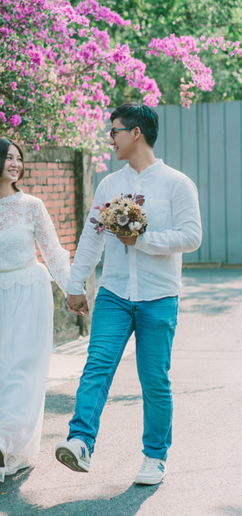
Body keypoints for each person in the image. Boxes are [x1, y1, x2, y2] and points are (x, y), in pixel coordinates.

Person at [55, 102, 202, 485]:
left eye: (115, 131)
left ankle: (155, 457)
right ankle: (81, 441)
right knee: (97, 366)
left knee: (154, 379)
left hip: (159, 296)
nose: (111, 138)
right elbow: (92, 236)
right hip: (114, 294)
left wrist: (142, 239)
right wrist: (75, 285)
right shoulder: (109, 185)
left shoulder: (177, 183)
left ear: (136, 132)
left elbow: (192, 236)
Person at [0, 137, 70, 482]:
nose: (16, 163)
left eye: (19, 158)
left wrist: (73, 291)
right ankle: (10, 451)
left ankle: (4, 438)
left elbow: (52, 252)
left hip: (29, 291)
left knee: (22, 368)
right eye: (9, 157)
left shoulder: (32, 205)